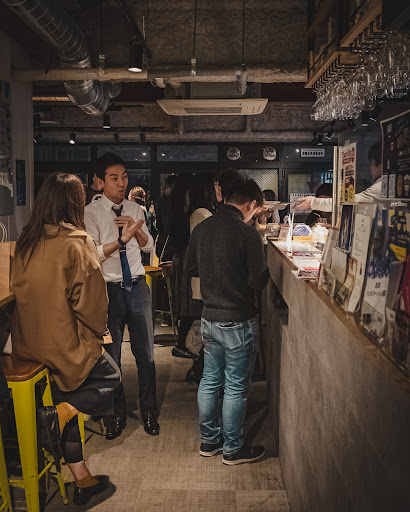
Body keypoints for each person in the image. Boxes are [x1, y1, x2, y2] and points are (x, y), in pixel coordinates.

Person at [11, 173, 120, 506]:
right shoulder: (77, 242)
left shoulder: (25, 241)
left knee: (66, 397)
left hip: (26, 346)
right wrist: (99, 333)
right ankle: (59, 414)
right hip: (63, 346)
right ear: (75, 203)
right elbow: (92, 306)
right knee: (110, 376)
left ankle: (82, 479)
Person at [184, 179, 270, 465]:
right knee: (235, 386)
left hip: (209, 317)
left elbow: (190, 267)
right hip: (238, 319)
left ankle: (209, 441)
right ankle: (233, 449)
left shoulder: (203, 228)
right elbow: (258, 280)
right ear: (251, 204)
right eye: (255, 210)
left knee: (210, 380)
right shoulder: (247, 234)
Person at [84, 153, 159, 439]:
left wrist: (137, 232)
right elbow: (92, 254)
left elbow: (148, 245)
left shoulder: (135, 208)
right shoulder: (91, 213)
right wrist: (121, 240)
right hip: (109, 290)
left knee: (146, 354)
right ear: (99, 182)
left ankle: (149, 411)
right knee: (112, 355)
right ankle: (116, 414)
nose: (121, 183)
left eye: (124, 176)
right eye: (114, 178)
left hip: (138, 286)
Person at [177, 172, 219, 374]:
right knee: (205, 325)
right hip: (201, 277)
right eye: (215, 185)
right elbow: (210, 247)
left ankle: (198, 367)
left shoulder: (201, 212)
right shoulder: (203, 214)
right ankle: (199, 368)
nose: (219, 188)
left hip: (198, 275)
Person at [296, 142, 382, 212]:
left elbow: (351, 202)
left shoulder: (381, 187)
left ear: (378, 164)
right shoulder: (383, 185)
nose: (370, 169)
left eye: (370, 164)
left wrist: (313, 202)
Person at [155, 174, 178, 262]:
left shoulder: (159, 202)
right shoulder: (170, 203)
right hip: (170, 245)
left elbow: (159, 225)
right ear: (168, 186)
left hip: (163, 244)